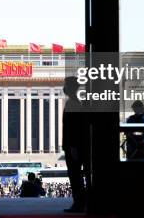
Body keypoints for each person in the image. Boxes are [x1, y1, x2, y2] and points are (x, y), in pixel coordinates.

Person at [62, 77, 87, 213]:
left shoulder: (74, 104)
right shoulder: (73, 103)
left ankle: (79, 203)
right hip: (72, 146)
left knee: (75, 175)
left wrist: (73, 147)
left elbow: (74, 129)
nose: (64, 88)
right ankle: (79, 202)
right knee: (75, 175)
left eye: (66, 85)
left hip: (73, 147)